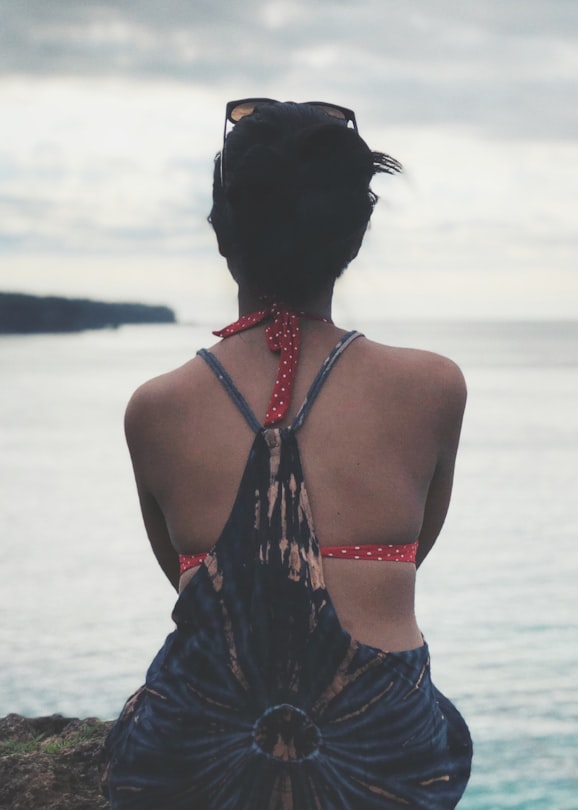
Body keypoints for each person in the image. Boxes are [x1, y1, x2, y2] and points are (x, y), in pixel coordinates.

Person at [99, 99, 472, 809]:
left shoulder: (156, 408)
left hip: (193, 753)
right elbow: (417, 546)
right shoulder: (432, 387)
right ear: (354, 239)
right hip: (382, 753)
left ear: (222, 233)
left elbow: (193, 589)